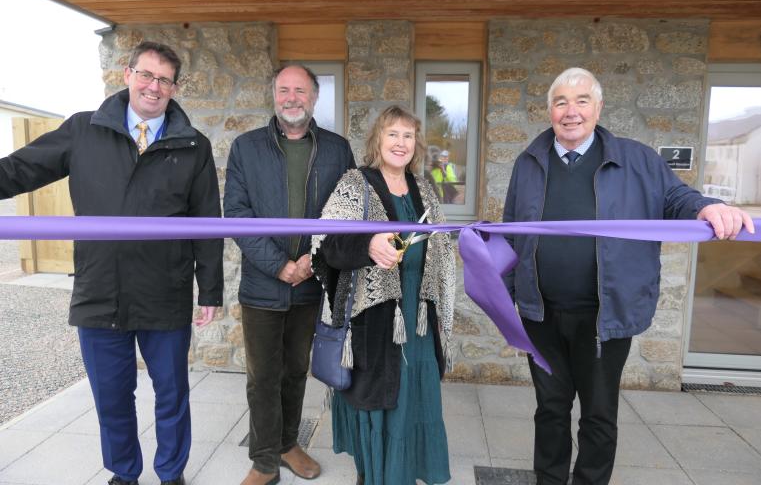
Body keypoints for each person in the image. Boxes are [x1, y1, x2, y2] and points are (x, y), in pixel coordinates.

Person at [502, 67, 754, 485]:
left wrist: (707, 207)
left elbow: (677, 197)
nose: (571, 111)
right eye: (561, 102)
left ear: (598, 108)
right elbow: (512, 229)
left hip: (605, 317)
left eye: (582, 100)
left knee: (599, 413)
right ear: (549, 111)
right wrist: (509, 297)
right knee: (550, 408)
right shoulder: (529, 160)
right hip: (540, 314)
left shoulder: (636, 159)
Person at [0, 41, 223, 485]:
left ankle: (171, 474)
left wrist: (210, 291)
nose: (153, 86)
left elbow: (206, 221)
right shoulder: (85, 130)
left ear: (174, 88)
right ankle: (123, 474)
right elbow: (20, 169)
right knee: (112, 396)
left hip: (165, 292)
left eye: (163, 79)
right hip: (100, 292)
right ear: (127, 74)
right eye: (146, 74)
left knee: (172, 395)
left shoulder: (193, 146)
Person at [224, 64, 355, 485]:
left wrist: (310, 264)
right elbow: (237, 214)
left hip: (310, 284)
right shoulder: (245, 148)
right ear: (274, 95)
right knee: (263, 376)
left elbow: (345, 214)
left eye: (300, 90)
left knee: (296, 369)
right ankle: (264, 461)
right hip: (263, 285)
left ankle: (287, 444)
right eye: (284, 89)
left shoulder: (337, 149)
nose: (292, 97)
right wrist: (278, 264)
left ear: (315, 98)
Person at [311, 105, 455, 485]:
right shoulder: (354, 183)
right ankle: (375, 476)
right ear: (378, 140)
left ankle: (402, 475)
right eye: (393, 134)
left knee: (412, 401)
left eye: (408, 135)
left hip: (418, 320)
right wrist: (368, 245)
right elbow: (327, 246)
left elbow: (440, 247)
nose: (401, 142)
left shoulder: (425, 189)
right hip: (375, 323)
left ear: (416, 144)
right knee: (381, 404)